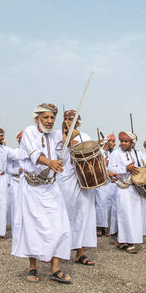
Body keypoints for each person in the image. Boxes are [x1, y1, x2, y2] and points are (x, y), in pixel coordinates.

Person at [11, 103, 72, 284]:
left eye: (52, 117)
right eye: (45, 117)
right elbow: (34, 154)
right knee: (32, 227)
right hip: (31, 187)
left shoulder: (55, 135)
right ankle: (32, 266)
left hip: (51, 186)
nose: (49, 121)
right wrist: (49, 162)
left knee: (59, 226)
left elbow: (63, 158)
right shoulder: (29, 132)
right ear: (37, 118)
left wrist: (66, 139)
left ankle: (55, 268)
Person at [56, 110, 98, 266]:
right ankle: (59, 251)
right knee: (65, 216)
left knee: (84, 216)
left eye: (72, 119)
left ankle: (80, 252)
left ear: (78, 122)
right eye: (66, 119)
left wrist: (77, 145)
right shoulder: (56, 137)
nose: (68, 121)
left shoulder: (85, 137)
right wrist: (65, 141)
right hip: (64, 182)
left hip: (84, 181)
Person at [108, 131, 146, 254]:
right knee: (124, 215)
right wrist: (125, 168)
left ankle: (131, 240)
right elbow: (110, 168)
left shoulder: (138, 153)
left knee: (135, 215)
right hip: (123, 188)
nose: (123, 143)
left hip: (136, 189)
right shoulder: (115, 153)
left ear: (132, 143)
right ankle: (125, 241)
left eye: (126, 141)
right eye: (122, 141)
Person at [95, 133, 117, 236]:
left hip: (110, 182)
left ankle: (106, 226)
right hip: (100, 182)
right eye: (112, 141)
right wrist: (102, 164)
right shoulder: (98, 152)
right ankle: (99, 226)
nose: (114, 143)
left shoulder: (113, 154)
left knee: (109, 204)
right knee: (101, 203)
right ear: (107, 142)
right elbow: (95, 166)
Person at [6, 132, 23, 235]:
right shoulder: (13, 152)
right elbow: (8, 169)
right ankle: (16, 232)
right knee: (16, 207)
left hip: (29, 183)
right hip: (16, 182)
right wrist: (18, 171)